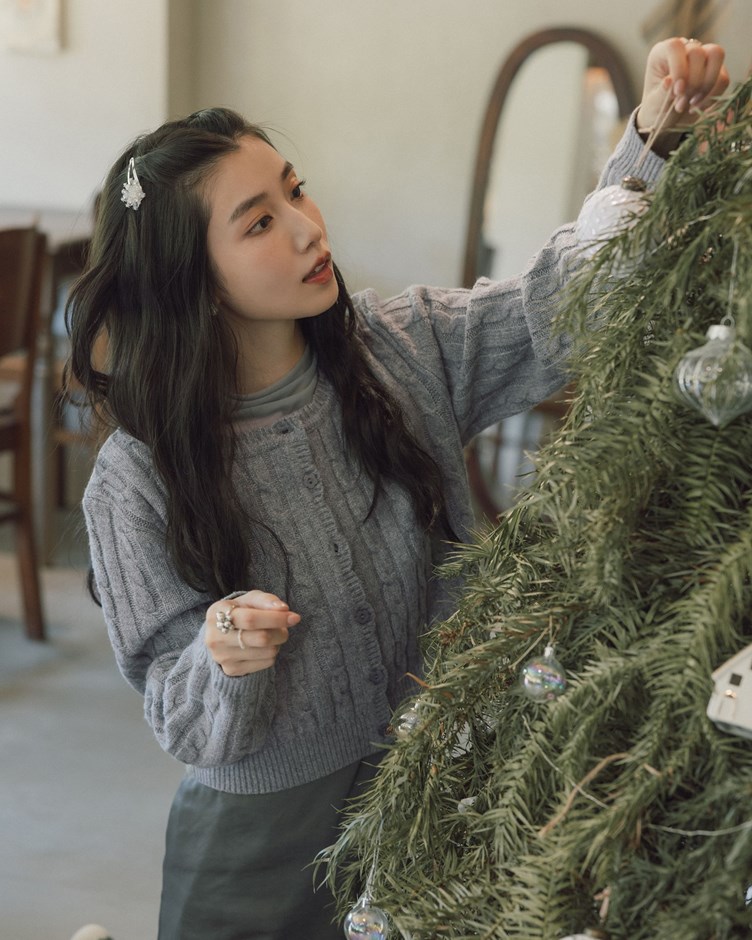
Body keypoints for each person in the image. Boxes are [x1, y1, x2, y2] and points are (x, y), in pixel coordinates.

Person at [67, 37, 728, 940]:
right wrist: (222, 653)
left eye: (295, 190)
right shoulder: (138, 476)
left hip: (439, 784)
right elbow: (177, 712)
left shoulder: (401, 346)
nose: (307, 228)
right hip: (260, 842)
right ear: (193, 279)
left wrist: (648, 137)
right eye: (258, 223)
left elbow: (556, 312)